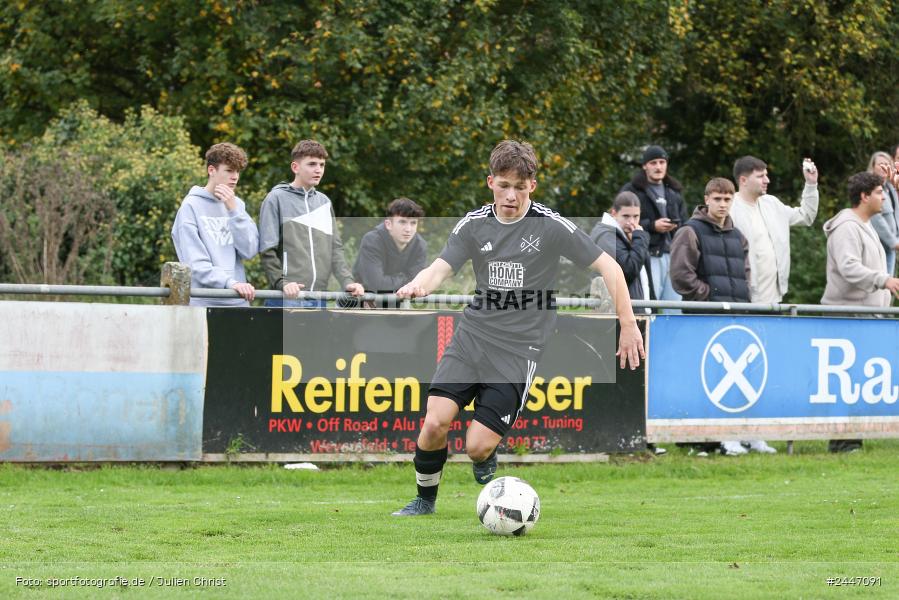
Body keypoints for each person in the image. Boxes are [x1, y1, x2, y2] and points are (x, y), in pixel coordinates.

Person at [391, 140, 644, 516]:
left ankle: (484, 455)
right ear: (490, 181)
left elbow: (610, 267)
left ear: (533, 186)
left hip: (517, 349)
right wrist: (420, 284)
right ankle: (424, 501)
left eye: (520, 188)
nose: (511, 195)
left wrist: (628, 324)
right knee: (434, 423)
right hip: (472, 337)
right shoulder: (475, 225)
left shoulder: (551, 226)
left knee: (476, 445)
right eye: (504, 185)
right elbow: (441, 267)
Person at [668, 177, 770, 455]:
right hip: (703, 318)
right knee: (704, 379)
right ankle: (706, 438)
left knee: (736, 380)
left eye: (727, 199)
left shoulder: (739, 235)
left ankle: (736, 435)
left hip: (736, 316)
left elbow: (745, 273)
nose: (723, 204)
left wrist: (744, 299)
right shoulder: (691, 231)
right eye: (718, 199)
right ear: (707, 199)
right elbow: (680, 275)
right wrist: (708, 294)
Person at [821, 171, 899, 453]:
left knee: (857, 383)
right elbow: (848, 266)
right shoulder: (847, 226)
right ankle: (841, 441)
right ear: (864, 197)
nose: (883, 198)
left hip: (863, 318)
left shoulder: (864, 225)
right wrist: (884, 280)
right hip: (847, 317)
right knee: (845, 382)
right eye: (879, 193)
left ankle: (852, 437)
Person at [589, 191, 664, 456]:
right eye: (626, 217)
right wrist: (642, 238)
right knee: (623, 380)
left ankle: (638, 438)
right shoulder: (605, 235)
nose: (632, 222)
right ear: (613, 213)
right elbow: (628, 269)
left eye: (636, 217)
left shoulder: (623, 235)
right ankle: (621, 440)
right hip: (620, 318)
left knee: (637, 380)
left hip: (636, 314)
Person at [258, 140, 363, 307]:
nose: (318, 170)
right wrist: (282, 282)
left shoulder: (324, 202)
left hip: (318, 298)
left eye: (322, 165)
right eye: (312, 164)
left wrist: (347, 281)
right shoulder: (275, 199)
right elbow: (267, 249)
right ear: (295, 167)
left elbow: (335, 249)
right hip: (286, 298)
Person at [171, 142, 259, 307]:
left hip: (238, 302)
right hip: (203, 302)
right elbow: (195, 263)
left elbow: (250, 250)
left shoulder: (237, 205)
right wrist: (229, 283)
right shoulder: (191, 206)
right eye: (229, 170)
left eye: (238, 171)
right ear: (211, 170)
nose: (235, 177)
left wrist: (234, 212)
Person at [729, 155, 819, 304]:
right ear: (743, 180)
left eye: (766, 175)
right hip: (741, 298)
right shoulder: (729, 208)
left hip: (774, 299)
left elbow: (806, 216)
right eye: (760, 176)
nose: (767, 180)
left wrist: (811, 184)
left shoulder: (772, 203)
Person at [619, 145, 687, 311]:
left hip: (673, 256)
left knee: (675, 310)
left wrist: (675, 226)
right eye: (653, 162)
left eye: (662, 162)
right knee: (649, 307)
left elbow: (685, 223)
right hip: (647, 255)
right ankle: (647, 338)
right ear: (644, 166)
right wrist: (652, 226)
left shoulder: (674, 191)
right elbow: (622, 220)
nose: (658, 167)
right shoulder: (632, 190)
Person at [352, 198, 428, 307]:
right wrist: (406, 280)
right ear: (388, 224)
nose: (408, 229)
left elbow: (419, 283)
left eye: (413, 223)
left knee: (408, 310)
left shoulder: (420, 245)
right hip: (360, 299)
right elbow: (376, 285)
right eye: (402, 222)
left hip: (397, 299)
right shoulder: (372, 240)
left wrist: (410, 285)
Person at [867, 151, 899, 276]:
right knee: (880, 287)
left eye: (887, 164)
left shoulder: (889, 188)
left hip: (890, 246)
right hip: (878, 245)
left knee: (887, 289)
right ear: (872, 167)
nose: (884, 167)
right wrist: (893, 242)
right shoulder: (871, 187)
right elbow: (876, 218)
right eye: (880, 164)